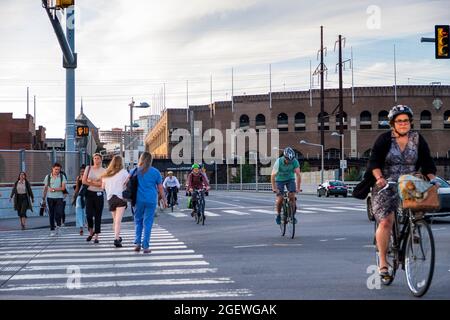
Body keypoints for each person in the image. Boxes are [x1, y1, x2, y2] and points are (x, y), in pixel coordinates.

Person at [367, 105, 437, 280]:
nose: (403, 124)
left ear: (410, 122)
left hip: (410, 183)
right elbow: (374, 162)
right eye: (399, 121)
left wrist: (432, 178)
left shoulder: (417, 139)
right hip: (387, 183)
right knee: (385, 221)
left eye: (406, 120)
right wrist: (379, 178)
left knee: (419, 210)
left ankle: (414, 228)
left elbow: (428, 163)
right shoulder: (384, 139)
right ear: (393, 124)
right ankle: (383, 262)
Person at [133, 152, 166, 253]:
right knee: (147, 223)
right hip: (151, 200)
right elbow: (160, 187)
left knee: (138, 221)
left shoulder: (135, 171)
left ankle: (137, 244)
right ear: (151, 160)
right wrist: (164, 200)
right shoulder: (155, 172)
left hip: (138, 200)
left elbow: (126, 183)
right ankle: (146, 247)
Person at [102, 155, 129, 248]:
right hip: (120, 197)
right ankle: (116, 239)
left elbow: (102, 187)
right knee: (118, 221)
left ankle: (117, 236)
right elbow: (127, 183)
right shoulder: (124, 172)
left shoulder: (107, 173)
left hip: (110, 199)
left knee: (115, 220)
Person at [271, 147, 301, 225]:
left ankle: (292, 216)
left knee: (292, 196)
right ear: (284, 157)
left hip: (290, 179)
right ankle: (278, 214)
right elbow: (272, 176)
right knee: (280, 198)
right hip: (279, 180)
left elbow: (298, 175)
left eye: (291, 160)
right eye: (288, 160)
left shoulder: (295, 161)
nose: (289, 162)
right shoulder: (278, 162)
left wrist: (298, 188)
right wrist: (274, 188)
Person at [82, 153, 106, 244]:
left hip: (99, 194)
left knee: (98, 216)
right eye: (94, 158)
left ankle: (96, 236)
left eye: (98, 158)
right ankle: (91, 231)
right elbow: (84, 181)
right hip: (89, 193)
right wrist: (95, 182)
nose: (96, 160)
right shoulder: (88, 168)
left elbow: (102, 184)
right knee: (88, 214)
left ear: (101, 160)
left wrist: (90, 181)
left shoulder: (104, 170)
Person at [42, 163, 67, 236]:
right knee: (51, 214)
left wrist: (53, 189)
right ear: (52, 169)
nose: (57, 171)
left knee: (59, 213)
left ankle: (58, 227)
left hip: (59, 198)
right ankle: (52, 229)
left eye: (58, 169)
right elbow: (45, 188)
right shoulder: (48, 177)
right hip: (50, 198)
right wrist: (43, 198)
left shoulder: (62, 177)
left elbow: (63, 188)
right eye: (56, 169)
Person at [73, 165, 87, 235]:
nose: (82, 172)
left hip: (86, 197)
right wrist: (74, 197)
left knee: (85, 212)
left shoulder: (88, 178)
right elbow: (77, 188)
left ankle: (86, 224)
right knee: (79, 212)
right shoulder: (78, 178)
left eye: (84, 171)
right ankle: (81, 227)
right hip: (79, 197)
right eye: (81, 171)